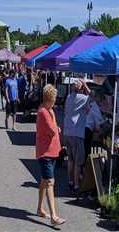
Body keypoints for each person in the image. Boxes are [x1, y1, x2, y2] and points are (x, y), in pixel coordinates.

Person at [36, 85, 66, 227]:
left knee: (44, 180)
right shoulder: (43, 112)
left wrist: (55, 126)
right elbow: (53, 131)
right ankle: (53, 216)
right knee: (50, 182)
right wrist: (55, 127)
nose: (55, 102)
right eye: (53, 99)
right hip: (45, 153)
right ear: (49, 99)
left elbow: (55, 128)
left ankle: (40, 209)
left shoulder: (49, 111)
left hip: (52, 151)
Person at [63, 79, 90, 192]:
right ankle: (76, 185)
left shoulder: (69, 97)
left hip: (68, 131)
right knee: (78, 162)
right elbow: (92, 95)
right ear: (81, 88)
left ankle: (70, 182)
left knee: (70, 160)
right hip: (77, 132)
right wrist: (85, 84)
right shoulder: (83, 98)